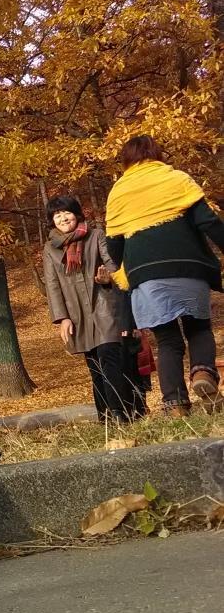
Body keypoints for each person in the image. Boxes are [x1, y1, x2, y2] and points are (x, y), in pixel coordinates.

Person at [105, 135, 224, 417]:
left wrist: (126, 266)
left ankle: (175, 404)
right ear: (157, 154)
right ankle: (203, 373)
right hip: (188, 265)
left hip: (146, 274)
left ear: (126, 160)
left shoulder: (118, 192)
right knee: (198, 327)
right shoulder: (177, 179)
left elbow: (114, 245)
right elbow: (208, 221)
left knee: (168, 339)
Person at [43, 195, 138, 422]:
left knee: (109, 358)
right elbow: (52, 285)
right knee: (94, 365)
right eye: (57, 215)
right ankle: (104, 416)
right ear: (52, 220)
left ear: (76, 214)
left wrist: (108, 279)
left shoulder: (96, 235)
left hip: (104, 306)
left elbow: (113, 267)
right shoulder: (50, 248)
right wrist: (62, 318)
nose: (63, 218)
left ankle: (120, 413)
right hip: (77, 314)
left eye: (67, 212)